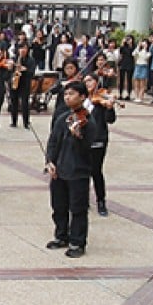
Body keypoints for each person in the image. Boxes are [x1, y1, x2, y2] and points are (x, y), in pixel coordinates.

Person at [45, 81, 96, 258]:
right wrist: (49, 161)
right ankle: (61, 235)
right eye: (66, 94)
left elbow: (89, 149)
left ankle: (78, 242)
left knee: (78, 208)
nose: (67, 97)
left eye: (72, 94)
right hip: (60, 169)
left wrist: (78, 137)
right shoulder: (62, 118)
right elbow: (53, 142)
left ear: (82, 97)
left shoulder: (88, 121)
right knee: (58, 205)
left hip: (78, 171)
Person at [83, 73, 116, 217]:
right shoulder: (82, 99)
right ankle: (83, 200)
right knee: (82, 170)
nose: (87, 83)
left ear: (97, 82)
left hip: (98, 138)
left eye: (90, 80)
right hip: (83, 139)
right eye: (85, 81)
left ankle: (101, 201)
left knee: (96, 170)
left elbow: (110, 120)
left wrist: (109, 107)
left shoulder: (102, 98)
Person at [9, 43, 35, 129]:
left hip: (25, 83)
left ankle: (26, 122)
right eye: (21, 48)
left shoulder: (31, 60)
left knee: (25, 103)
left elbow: (32, 73)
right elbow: (9, 70)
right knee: (14, 102)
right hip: (15, 82)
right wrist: (12, 67)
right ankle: (13, 121)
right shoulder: (14, 58)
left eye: (24, 48)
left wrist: (24, 69)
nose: (22, 50)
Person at [132, 38, 151, 103]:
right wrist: (138, 46)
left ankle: (140, 97)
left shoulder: (148, 51)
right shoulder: (138, 50)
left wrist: (145, 49)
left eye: (145, 43)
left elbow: (146, 57)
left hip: (144, 66)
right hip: (137, 66)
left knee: (142, 84)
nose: (144, 44)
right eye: (143, 42)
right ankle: (136, 97)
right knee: (136, 83)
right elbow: (134, 54)